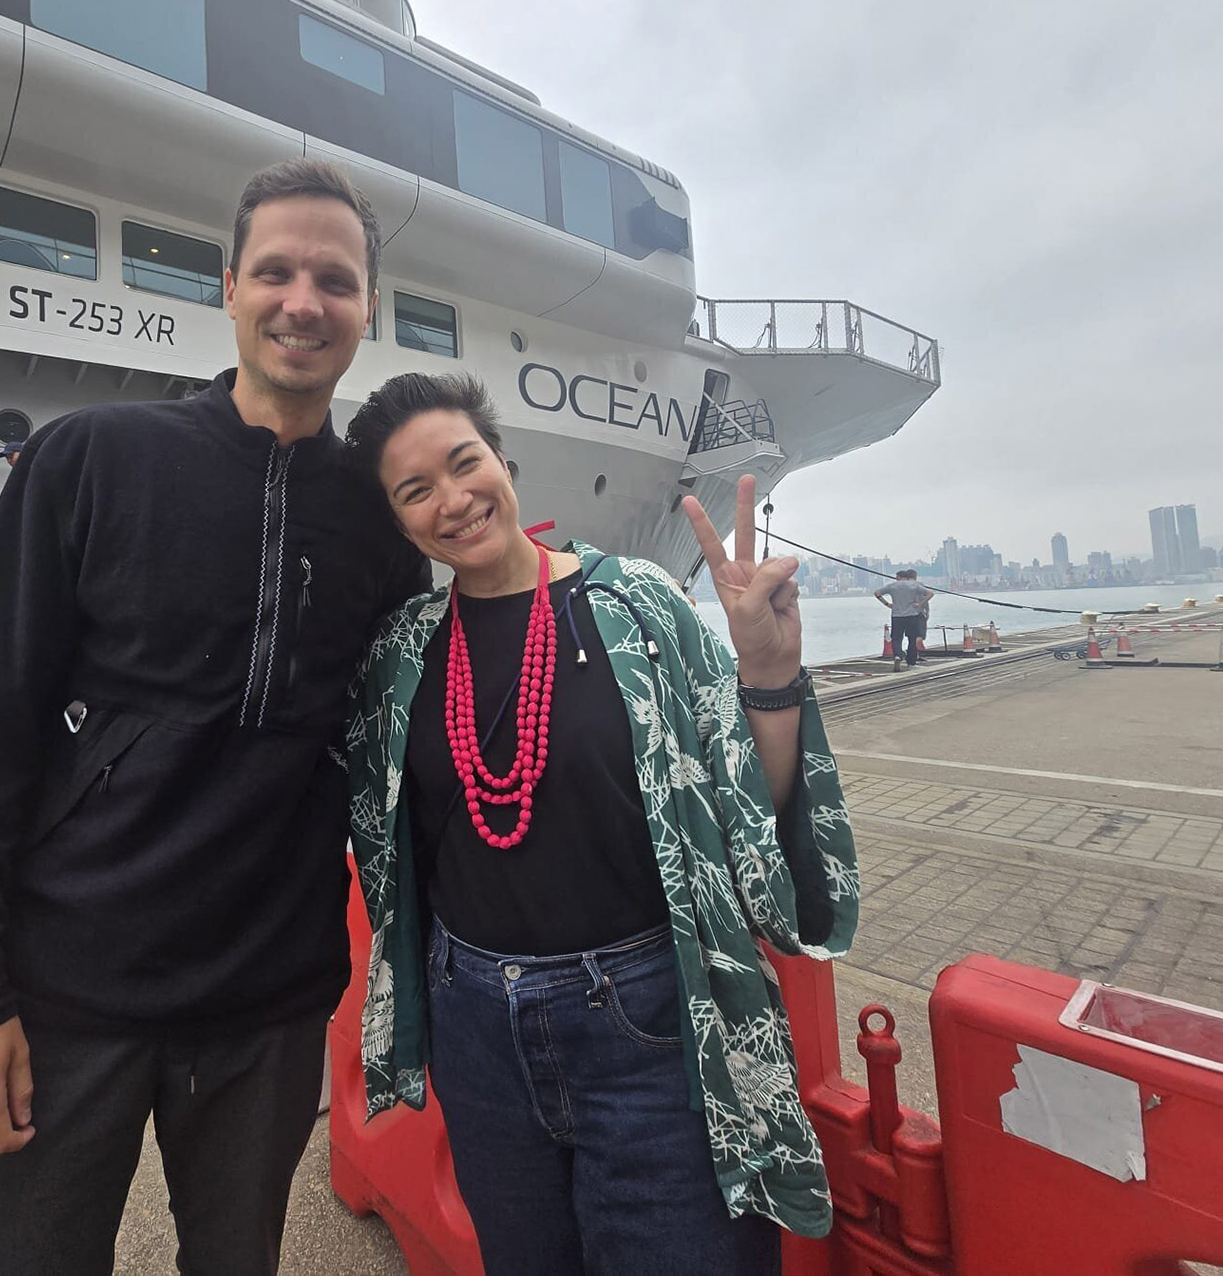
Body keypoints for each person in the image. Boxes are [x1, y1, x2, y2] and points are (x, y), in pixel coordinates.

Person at [0, 159, 430, 1276]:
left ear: (365, 310)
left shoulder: (381, 524)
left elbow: (412, 739)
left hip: (265, 1011)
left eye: (333, 280)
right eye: (277, 272)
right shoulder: (94, 460)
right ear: (228, 286)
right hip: (59, 992)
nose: (304, 301)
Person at [343, 373, 860, 1275]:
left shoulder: (641, 607)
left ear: (503, 463)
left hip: (647, 1022)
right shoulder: (402, 653)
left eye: (465, 464)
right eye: (415, 490)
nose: (453, 500)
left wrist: (770, 677)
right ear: (397, 523)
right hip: (477, 1028)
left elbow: (745, 807)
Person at [874, 567, 934, 670]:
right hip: (912, 615)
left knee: (897, 638)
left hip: (897, 616)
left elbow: (877, 593)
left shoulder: (892, 586)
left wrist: (887, 604)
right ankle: (911, 663)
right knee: (912, 639)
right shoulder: (914, 585)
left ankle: (897, 655)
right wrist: (920, 603)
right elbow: (930, 593)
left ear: (898, 577)